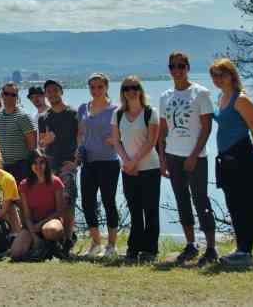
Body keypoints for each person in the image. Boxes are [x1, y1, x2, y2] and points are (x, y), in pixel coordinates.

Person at [158, 52, 218, 266]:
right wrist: (162, 160)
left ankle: (211, 248)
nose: (177, 70)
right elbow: (163, 131)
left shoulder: (200, 93)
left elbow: (206, 128)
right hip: (173, 156)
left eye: (181, 66)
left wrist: (193, 155)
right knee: (182, 200)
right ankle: (191, 244)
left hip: (196, 158)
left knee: (201, 200)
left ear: (188, 67)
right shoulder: (165, 96)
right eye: (173, 66)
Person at [210, 58, 253, 266]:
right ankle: (240, 248)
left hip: (242, 156)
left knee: (247, 203)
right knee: (233, 203)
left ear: (232, 75)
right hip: (226, 158)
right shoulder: (221, 98)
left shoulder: (241, 100)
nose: (218, 79)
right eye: (215, 75)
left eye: (222, 74)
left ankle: (246, 252)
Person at [111, 76, 161, 261]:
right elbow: (116, 141)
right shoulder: (117, 114)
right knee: (135, 209)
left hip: (149, 168)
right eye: (126, 88)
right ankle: (134, 247)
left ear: (140, 90)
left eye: (134, 87)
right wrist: (126, 161)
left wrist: (134, 161)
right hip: (128, 169)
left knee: (150, 209)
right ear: (123, 92)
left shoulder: (150, 112)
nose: (131, 91)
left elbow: (151, 141)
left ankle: (150, 249)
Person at [78, 73, 121, 257]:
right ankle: (96, 243)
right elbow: (80, 132)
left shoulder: (115, 109)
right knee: (88, 203)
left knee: (108, 202)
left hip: (109, 162)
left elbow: (124, 132)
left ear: (106, 88)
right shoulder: (83, 108)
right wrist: (79, 149)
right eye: (92, 87)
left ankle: (111, 246)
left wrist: (116, 140)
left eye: (99, 87)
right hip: (88, 162)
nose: (96, 91)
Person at [37, 79, 80, 255]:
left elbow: (80, 139)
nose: (52, 94)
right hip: (50, 166)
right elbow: (41, 144)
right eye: (48, 91)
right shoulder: (43, 118)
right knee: (51, 204)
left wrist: (76, 162)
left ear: (61, 92)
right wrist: (44, 142)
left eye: (55, 90)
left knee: (68, 203)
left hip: (67, 165)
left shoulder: (73, 114)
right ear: (45, 95)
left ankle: (68, 241)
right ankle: (53, 240)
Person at [9, 150, 65, 261]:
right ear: (30, 165)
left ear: (46, 164)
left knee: (50, 230)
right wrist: (34, 236)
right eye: (35, 163)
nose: (38, 166)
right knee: (15, 254)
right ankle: (40, 247)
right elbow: (27, 215)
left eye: (42, 162)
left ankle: (54, 246)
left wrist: (41, 224)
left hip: (51, 222)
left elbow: (59, 211)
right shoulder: (24, 185)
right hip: (32, 225)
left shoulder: (56, 182)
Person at [0, 81, 37, 184]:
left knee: (21, 199)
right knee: (2, 198)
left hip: (21, 166)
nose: (9, 97)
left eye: (13, 95)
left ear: (17, 97)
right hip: (3, 166)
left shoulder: (23, 116)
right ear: (2, 95)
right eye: (7, 94)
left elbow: (32, 146)